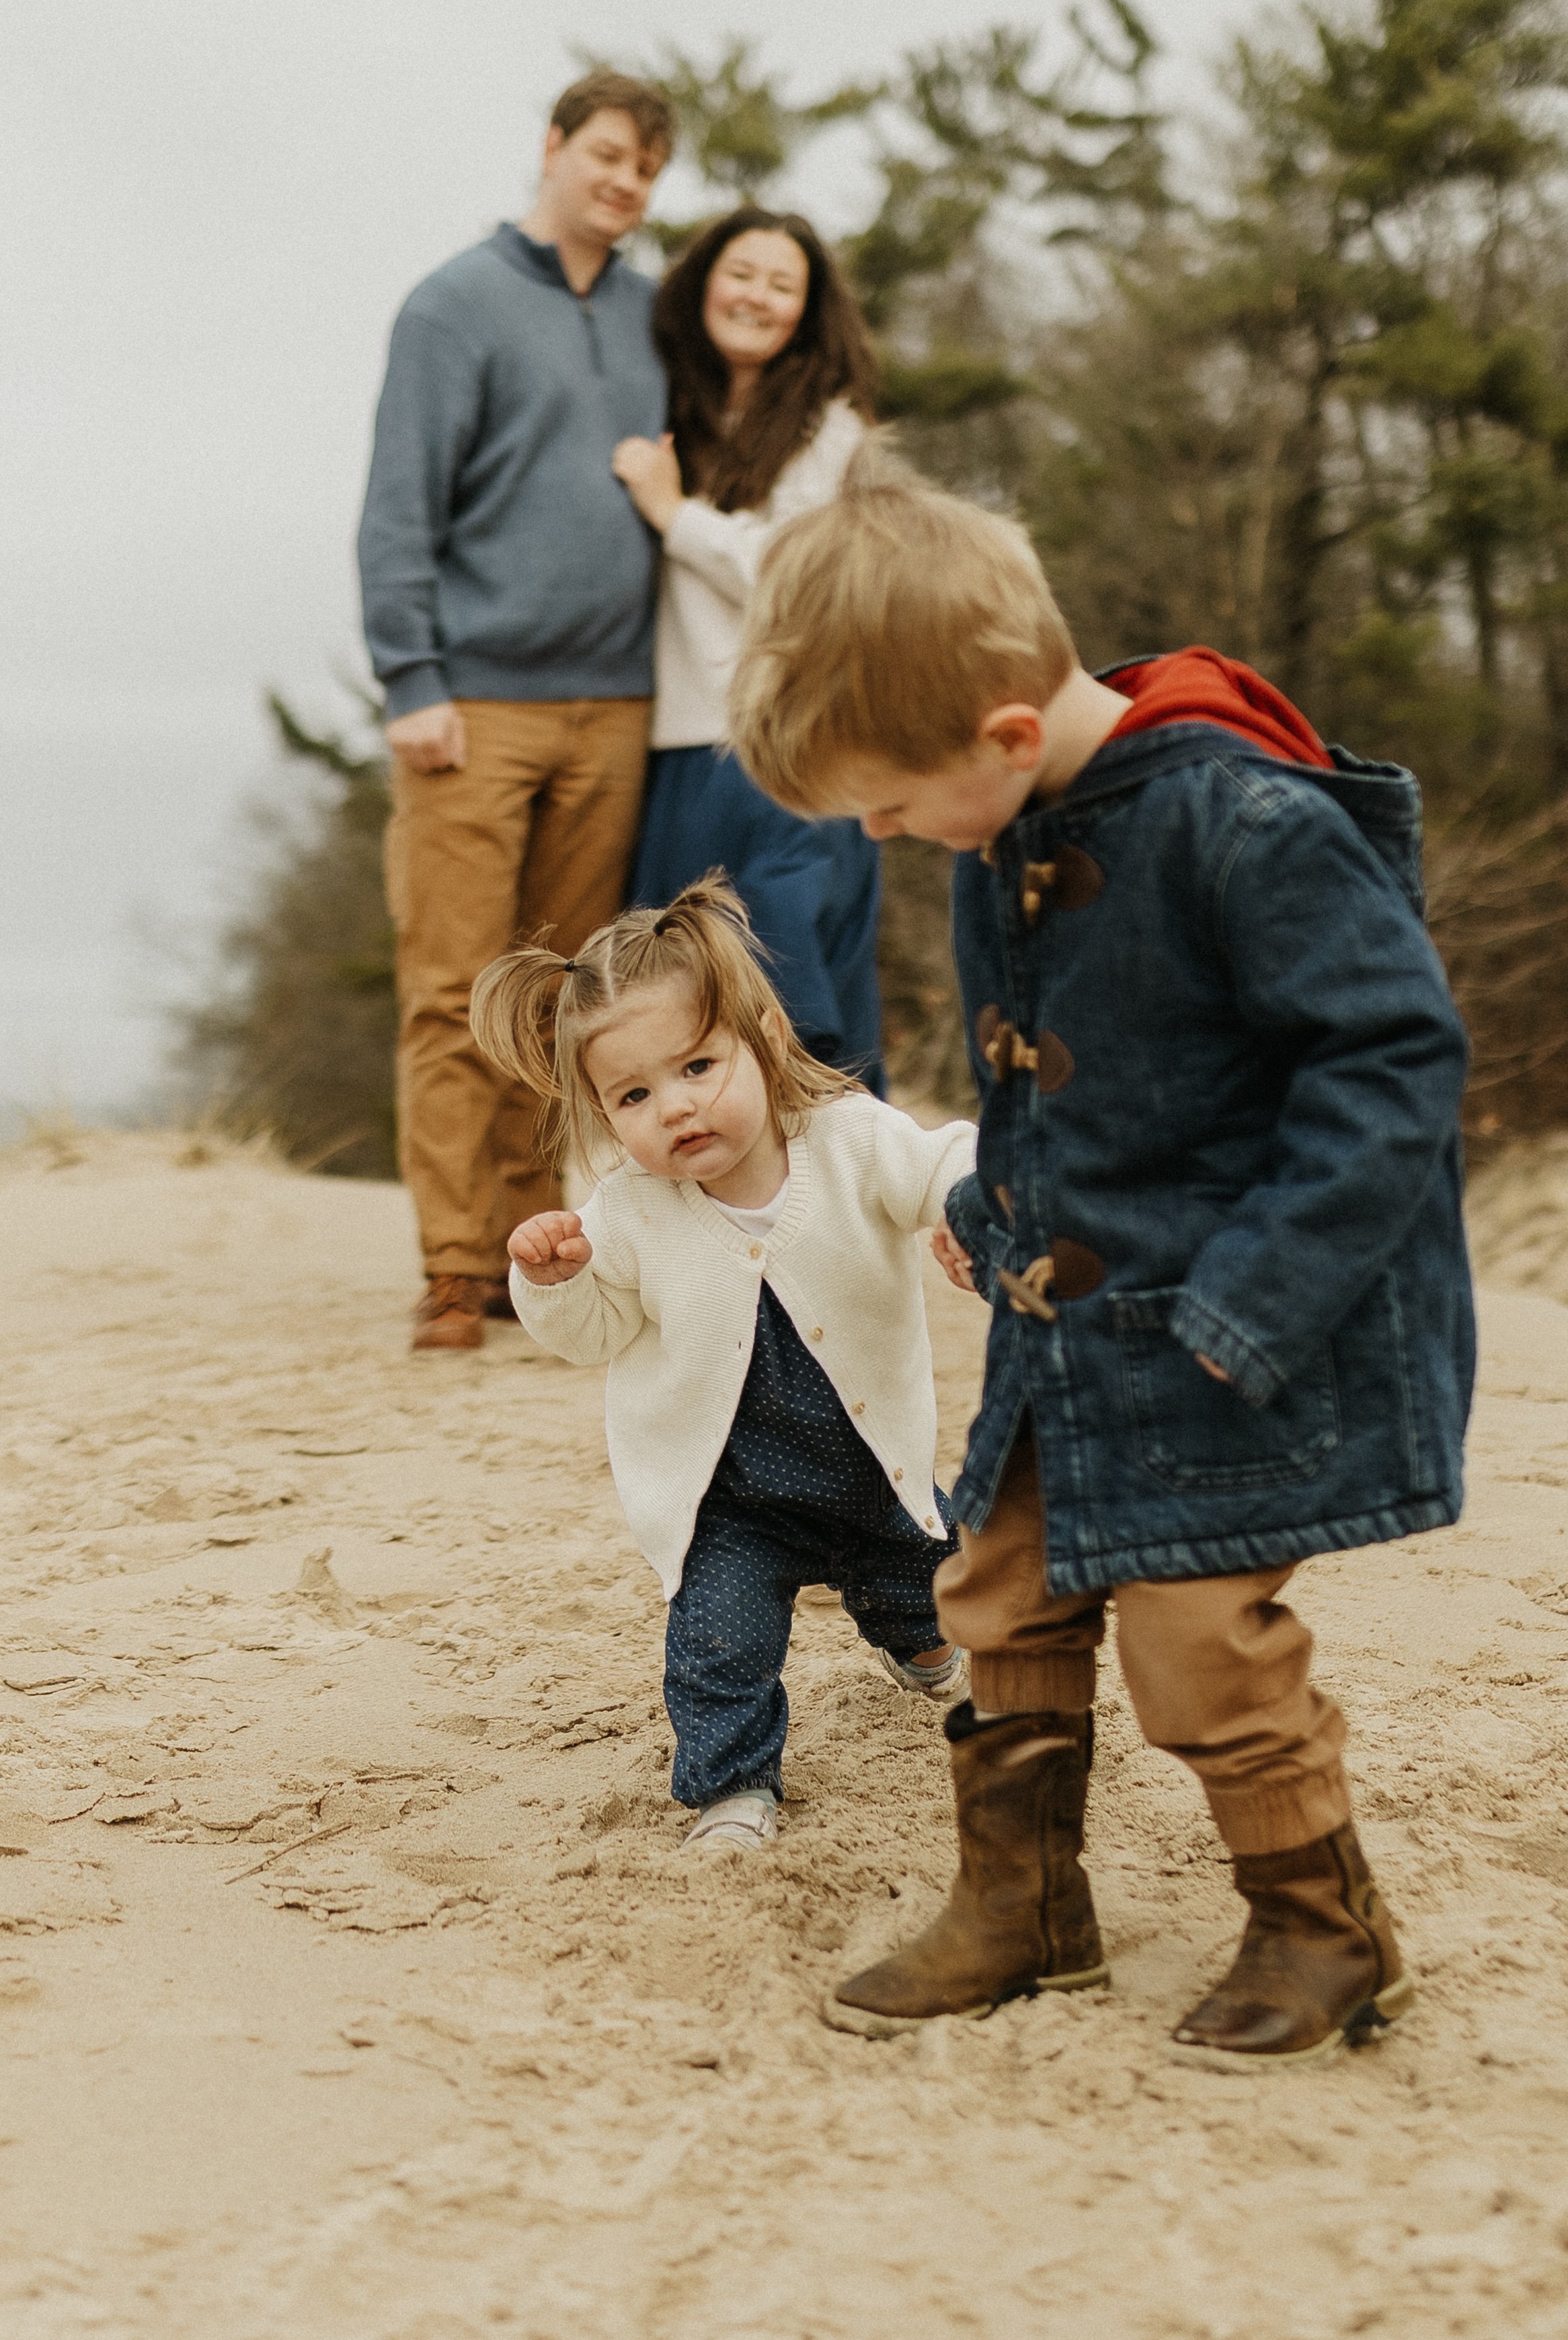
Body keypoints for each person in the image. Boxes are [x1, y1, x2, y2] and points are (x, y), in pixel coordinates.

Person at [728, 455, 1474, 2065]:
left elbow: (1392, 1060)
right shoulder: (1014, 820)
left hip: (1229, 1324)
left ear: (1002, 734)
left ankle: (1318, 1928)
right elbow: (1068, 1071)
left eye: (891, 803)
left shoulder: (1238, 821)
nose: (880, 832)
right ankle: (1023, 1909)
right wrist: (994, 1202)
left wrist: (1255, 1295)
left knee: (1199, 1639)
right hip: (1073, 1321)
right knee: (996, 1591)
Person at [467, 880, 975, 1848]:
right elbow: (593, 1336)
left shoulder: (851, 1142)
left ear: (766, 1039)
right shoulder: (625, 1212)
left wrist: (967, 1202)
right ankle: (734, 1790)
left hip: (872, 1471)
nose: (678, 1106)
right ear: (602, 1113)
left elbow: (944, 1159)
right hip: (728, 1499)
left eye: (699, 1065)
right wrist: (555, 1278)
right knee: (719, 1647)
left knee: (927, 1594)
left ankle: (925, 1653)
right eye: (635, 1095)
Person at [358, 71, 674, 1352]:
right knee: (451, 989)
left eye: (647, 168)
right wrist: (411, 679)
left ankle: (532, 1251)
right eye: (605, 154)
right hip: (474, 705)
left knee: (565, 998)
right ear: (552, 148)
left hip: (616, 706)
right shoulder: (454, 305)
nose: (625, 182)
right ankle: (451, 1263)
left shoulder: (660, 319)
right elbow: (398, 509)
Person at [609, 208, 886, 1090]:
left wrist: (672, 512)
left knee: (796, 1015)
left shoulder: (828, 429)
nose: (758, 297)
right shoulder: (662, 410)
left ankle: (851, 1218)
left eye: (783, 284)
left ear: (807, 312)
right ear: (702, 285)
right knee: (677, 1012)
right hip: (679, 751)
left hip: (787, 750)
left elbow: (790, 571)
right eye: (743, 273)